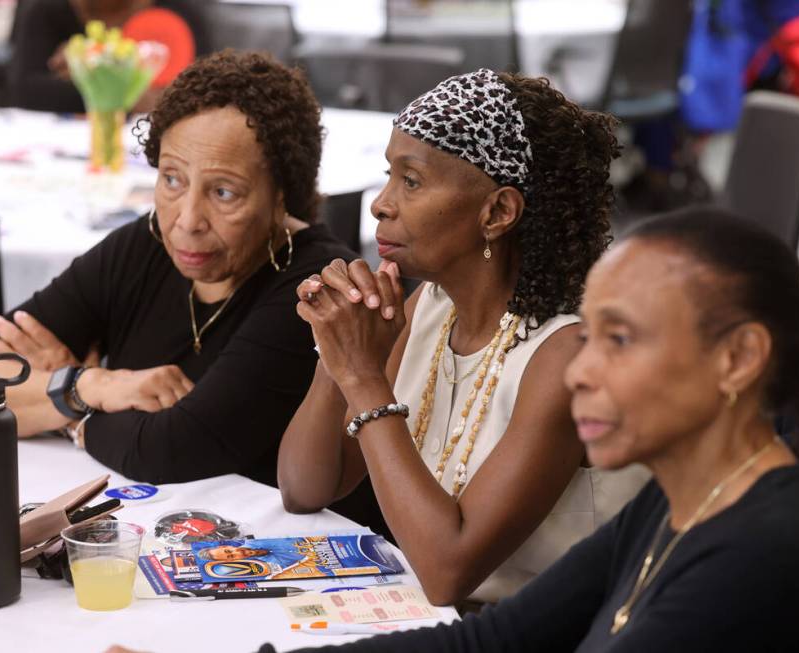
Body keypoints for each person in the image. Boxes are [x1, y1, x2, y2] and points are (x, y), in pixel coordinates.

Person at [247, 207, 799, 652]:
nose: (582, 371)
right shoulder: (682, 495)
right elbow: (497, 639)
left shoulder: (772, 559)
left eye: (621, 340)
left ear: (738, 359)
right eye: (591, 334)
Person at [277, 69, 650, 607]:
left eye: (411, 181)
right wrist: (337, 352)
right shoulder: (433, 306)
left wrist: (363, 378)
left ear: (497, 212)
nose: (381, 203)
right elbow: (305, 488)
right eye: (389, 176)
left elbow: (448, 573)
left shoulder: (568, 357)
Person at [0, 51, 385, 533]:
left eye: (223, 193)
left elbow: (171, 450)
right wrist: (90, 386)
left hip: (279, 556)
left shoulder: (312, 287)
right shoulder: (147, 243)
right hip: (150, 534)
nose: (187, 220)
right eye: (171, 179)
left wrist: (65, 413)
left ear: (282, 194)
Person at [7, 0, 210, 113]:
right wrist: (134, 93)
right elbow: (25, 92)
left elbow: (202, 93)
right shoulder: (45, 11)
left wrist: (89, 71)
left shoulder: (178, 13)